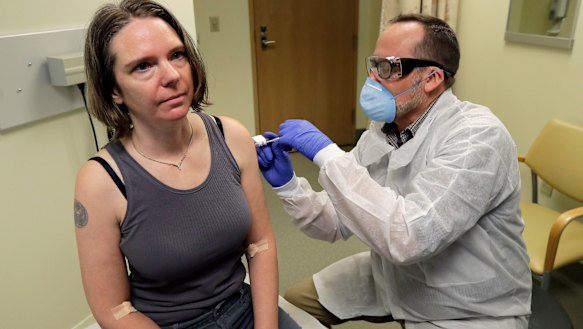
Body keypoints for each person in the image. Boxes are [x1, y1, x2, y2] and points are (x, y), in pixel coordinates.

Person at [257, 14, 532, 329]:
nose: (372, 79)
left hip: (466, 304)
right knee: (294, 305)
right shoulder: (384, 129)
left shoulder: (477, 137)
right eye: (373, 65)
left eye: (388, 68)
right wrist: (290, 186)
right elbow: (334, 222)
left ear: (431, 78)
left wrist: (329, 156)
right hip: (396, 276)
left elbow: (409, 238)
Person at [73, 1, 300, 328]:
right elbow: (114, 309)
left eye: (176, 55)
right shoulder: (100, 181)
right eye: (143, 66)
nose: (171, 76)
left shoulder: (230, 136)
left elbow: (260, 245)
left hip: (243, 306)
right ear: (114, 90)